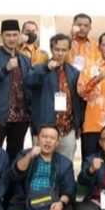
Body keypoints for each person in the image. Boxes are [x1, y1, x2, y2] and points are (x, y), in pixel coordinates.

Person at [5, 125, 77, 210]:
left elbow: (69, 189)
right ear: (38, 139)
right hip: (26, 205)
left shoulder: (65, 163)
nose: (48, 141)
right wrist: (29, 156)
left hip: (50, 205)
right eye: (44, 137)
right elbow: (14, 175)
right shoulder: (25, 154)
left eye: (52, 138)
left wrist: (61, 204)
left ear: (57, 143)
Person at [0, 19, 35, 163]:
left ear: (20, 35)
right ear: (1, 36)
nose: (12, 39)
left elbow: (30, 85)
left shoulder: (24, 59)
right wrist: (5, 69)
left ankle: (11, 178)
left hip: (21, 117)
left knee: (15, 155)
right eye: (8, 35)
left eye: (15, 35)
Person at [28, 33, 83, 161]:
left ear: (68, 50)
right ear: (51, 49)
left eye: (64, 50)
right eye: (57, 49)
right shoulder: (39, 68)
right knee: (41, 164)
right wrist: (46, 69)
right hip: (45, 127)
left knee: (66, 164)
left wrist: (78, 124)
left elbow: (78, 101)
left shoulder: (74, 72)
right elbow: (29, 82)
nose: (60, 53)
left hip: (67, 128)